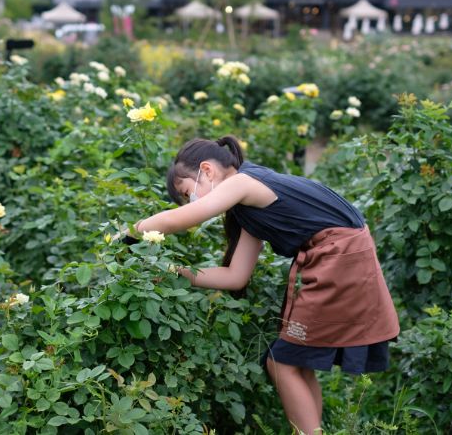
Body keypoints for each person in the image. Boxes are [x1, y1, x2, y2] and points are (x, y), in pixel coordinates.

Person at [135, 136, 399, 434]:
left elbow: (179, 220)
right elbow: (235, 276)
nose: (193, 201)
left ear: (207, 170)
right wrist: (174, 270)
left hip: (338, 256)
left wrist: (133, 233)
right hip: (340, 255)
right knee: (295, 360)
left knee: (282, 362)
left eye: (187, 193)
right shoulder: (249, 206)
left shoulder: (243, 182)